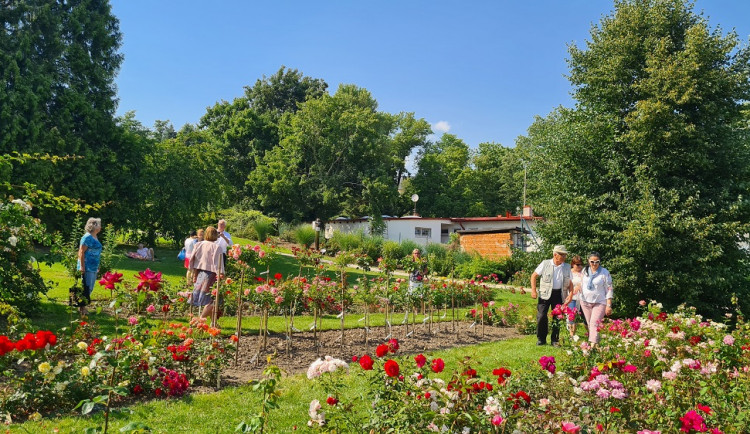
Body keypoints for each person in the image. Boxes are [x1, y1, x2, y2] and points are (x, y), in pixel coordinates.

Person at [530, 245, 573, 346]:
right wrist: (533, 291)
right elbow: (534, 276)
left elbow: (571, 282)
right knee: (541, 316)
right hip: (545, 294)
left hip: (559, 294)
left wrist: (570, 295)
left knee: (557, 317)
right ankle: (541, 339)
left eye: (565, 255)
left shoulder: (566, 267)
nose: (564, 257)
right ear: (555, 255)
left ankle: (555, 340)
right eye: (562, 255)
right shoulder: (545, 263)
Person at [189, 226, 225, 326]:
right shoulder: (217, 247)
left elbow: (194, 260)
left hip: (200, 273)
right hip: (211, 275)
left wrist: (194, 274)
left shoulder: (198, 245)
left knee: (208, 299)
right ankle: (200, 320)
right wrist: (222, 275)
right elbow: (218, 264)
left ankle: (213, 323)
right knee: (214, 300)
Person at [579, 251, 613, 345]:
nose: (594, 264)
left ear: (600, 262)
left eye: (597, 262)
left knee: (594, 323)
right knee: (590, 324)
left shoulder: (604, 272)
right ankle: (596, 344)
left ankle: (591, 346)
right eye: (592, 262)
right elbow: (581, 284)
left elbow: (609, 289)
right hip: (585, 301)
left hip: (599, 301)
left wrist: (608, 305)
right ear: (588, 261)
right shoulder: (584, 271)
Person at [77, 217, 103, 314]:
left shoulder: (94, 237)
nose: (100, 227)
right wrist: (82, 266)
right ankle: (82, 308)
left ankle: (82, 306)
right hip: (87, 266)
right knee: (86, 287)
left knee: (90, 286)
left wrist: (97, 265)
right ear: (94, 226)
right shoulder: (87, 237)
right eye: (99, 225)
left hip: (93, 266)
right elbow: (81, 252)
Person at [563, 255, 584, 337]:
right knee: (571, 316)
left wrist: (579, 285)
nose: (579, 266)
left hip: (582, 298)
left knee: (584, 317)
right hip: (571, 297)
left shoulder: (584, 273)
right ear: (573, 264)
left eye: (580, 264)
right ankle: (572, 335)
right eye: (577, 264)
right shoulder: (569, 272)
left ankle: (590, 333)